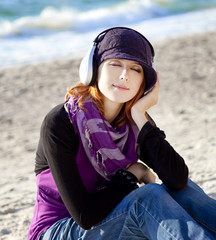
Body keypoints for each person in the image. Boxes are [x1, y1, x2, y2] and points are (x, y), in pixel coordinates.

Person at [28, 27, 216, 240]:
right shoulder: (61, 122)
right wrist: (132, 174)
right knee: (147, 197)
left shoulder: (134, 122)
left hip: (113, 219)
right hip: (57, 230)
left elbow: (178, 179)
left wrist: (140, 114)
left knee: (181, 191)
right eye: (115, 64)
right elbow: (85, 216)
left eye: (136, 69)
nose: (125, 75)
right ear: (93, 69)